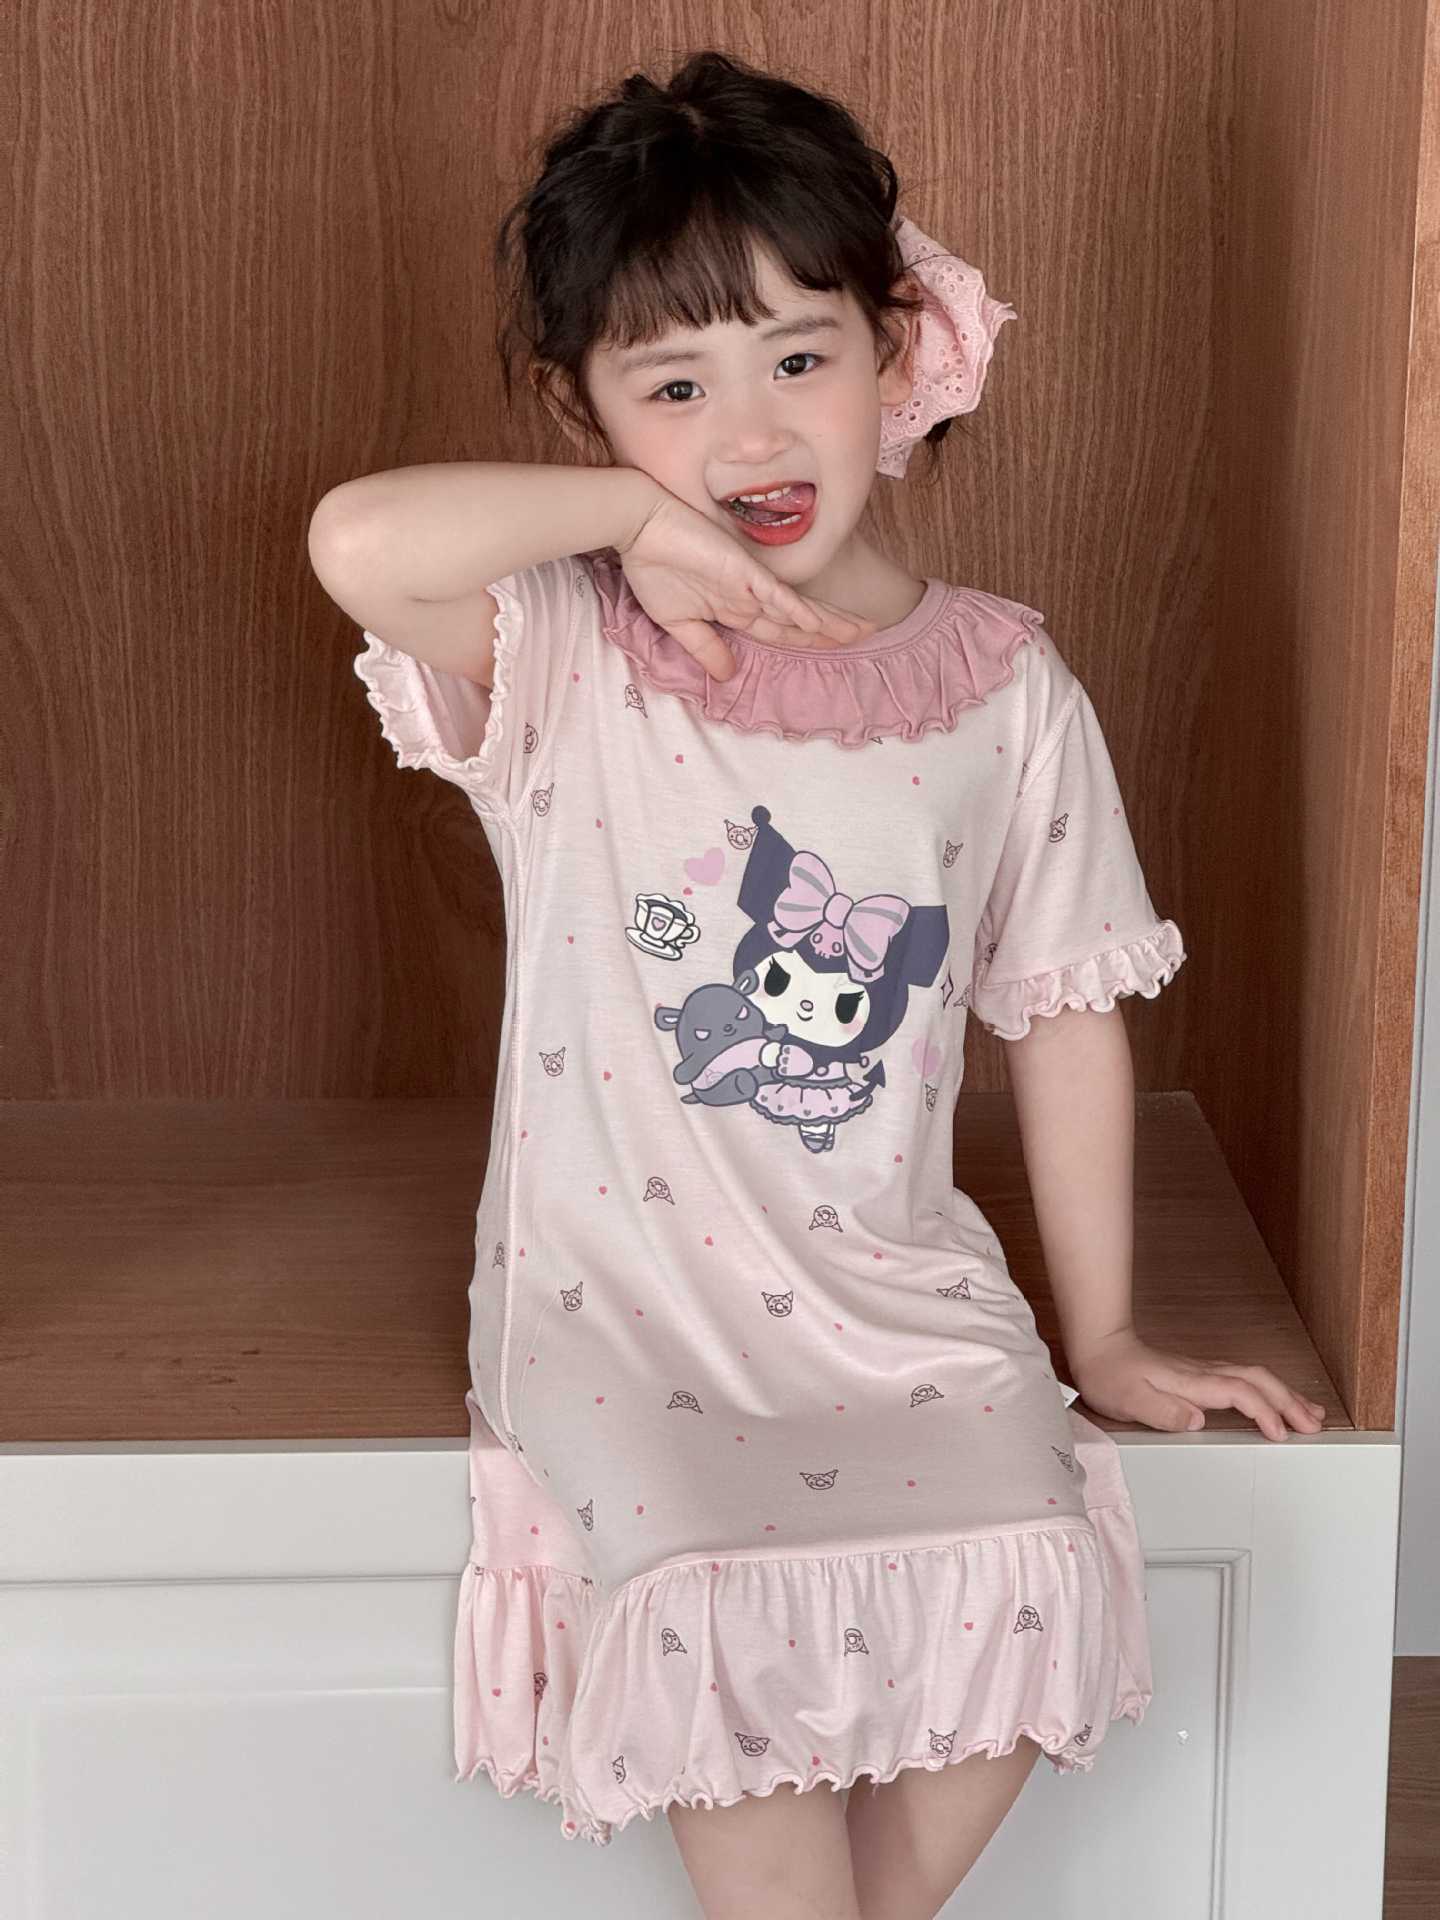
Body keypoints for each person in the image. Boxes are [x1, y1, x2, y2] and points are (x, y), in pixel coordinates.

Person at [308, 47, 1328, 1918]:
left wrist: (1104, 1338)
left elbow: (1068, 1014)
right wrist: (629, 527)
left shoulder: (1005, 691)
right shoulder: (566, 648)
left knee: (1035, 1560)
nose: (750, 434)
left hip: (901, 1302)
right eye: (672, 387)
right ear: (580, 408)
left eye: (799, 357)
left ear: (897, 349)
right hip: (629, 1323)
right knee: (725, 1687)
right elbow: (355, 542)